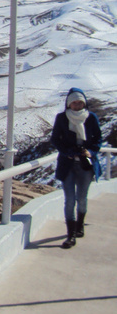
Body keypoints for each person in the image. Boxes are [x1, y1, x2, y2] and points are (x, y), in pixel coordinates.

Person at [50, 87, 102, 249]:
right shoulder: (61, 118)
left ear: (84, 103)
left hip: (85, 165)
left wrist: (90, 152)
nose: (77, 105)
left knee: (82, 198)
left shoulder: (91, 118)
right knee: (70, 199)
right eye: (74, 102)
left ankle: (79, 225)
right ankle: (70, 235)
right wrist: (68, 152)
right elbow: (55, 140)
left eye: (80, 102)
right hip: (68, 164)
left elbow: (98, 139)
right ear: (68, 104)